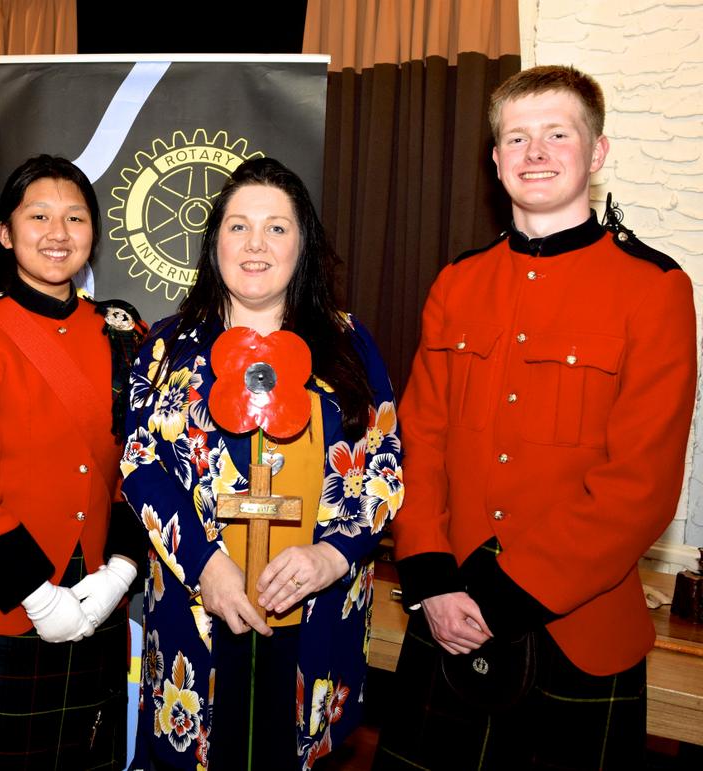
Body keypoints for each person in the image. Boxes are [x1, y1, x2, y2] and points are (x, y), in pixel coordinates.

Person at [372, 65, 697, 770]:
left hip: (575, 632)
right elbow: (419, 439)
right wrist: (428, 574)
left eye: (558, 133)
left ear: (597, 152)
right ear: (495, 160)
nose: (536, 151)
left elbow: (640, 486)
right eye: (517, 137)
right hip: (446, 612)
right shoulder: (457, 283)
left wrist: (499, 597)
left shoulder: (657, 289)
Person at [122, 157, 403, 769]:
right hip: (198, 611)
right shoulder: (168, 345)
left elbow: (381, 461)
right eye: (238, 226)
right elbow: (140, 466)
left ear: (303, 244)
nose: (256, 244)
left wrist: (330, 556)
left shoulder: (349, 342)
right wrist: (206, 567)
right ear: (214, 240)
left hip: (318, 606)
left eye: (277, 227)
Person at [0, 154, 148, 769]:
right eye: (39, 215)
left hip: (97, 595)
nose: (58, 233)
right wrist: (37, 596)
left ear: (94, 235)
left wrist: (121, 572)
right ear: (4, 232)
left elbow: (144, 467)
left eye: (75, 218)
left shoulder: (123, 335)